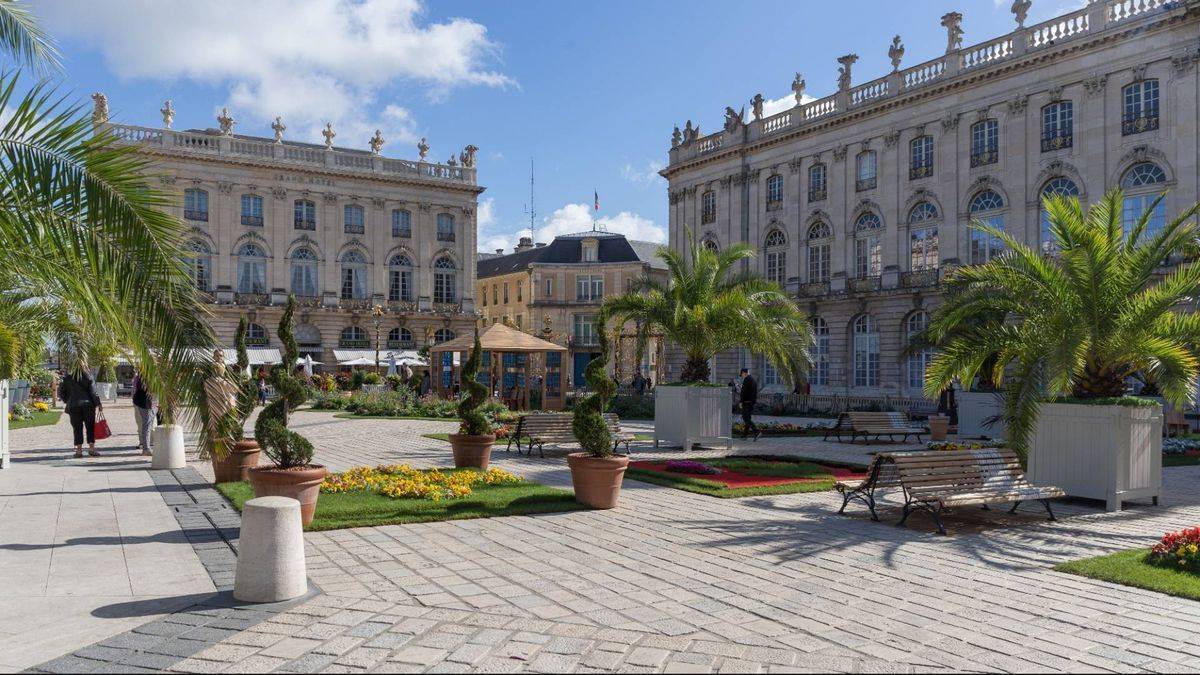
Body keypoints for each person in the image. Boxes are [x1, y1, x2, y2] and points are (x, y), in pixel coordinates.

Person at [59, 369, 102, 458]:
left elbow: (61, 391)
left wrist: (68, 400)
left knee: (77, 428)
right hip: (88, 406)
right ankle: (91, 449)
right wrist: (98, 403)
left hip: (73, 406)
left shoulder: (68, 378)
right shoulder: (88, 376)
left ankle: (79, 450)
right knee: (90, 427)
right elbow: (93, 392)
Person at [131, 372, 154, 456]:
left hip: (146, 402)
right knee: (146, 425)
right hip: (145, 403)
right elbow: (144, 389)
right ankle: (146, 449)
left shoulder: (141, 375)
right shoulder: (145, 376)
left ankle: (146, 447)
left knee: (147, 425)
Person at [739, 367, 760, 441]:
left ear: (744, 373)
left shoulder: (747, 380)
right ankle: (745, 435)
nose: (741, 376)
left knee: (746, 418)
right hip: (751, 402)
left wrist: (741, 401)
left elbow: (743, 392)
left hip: (746, 402)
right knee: (748, 418)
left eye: (741, 374)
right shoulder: (753, 379)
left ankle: (756, 431)